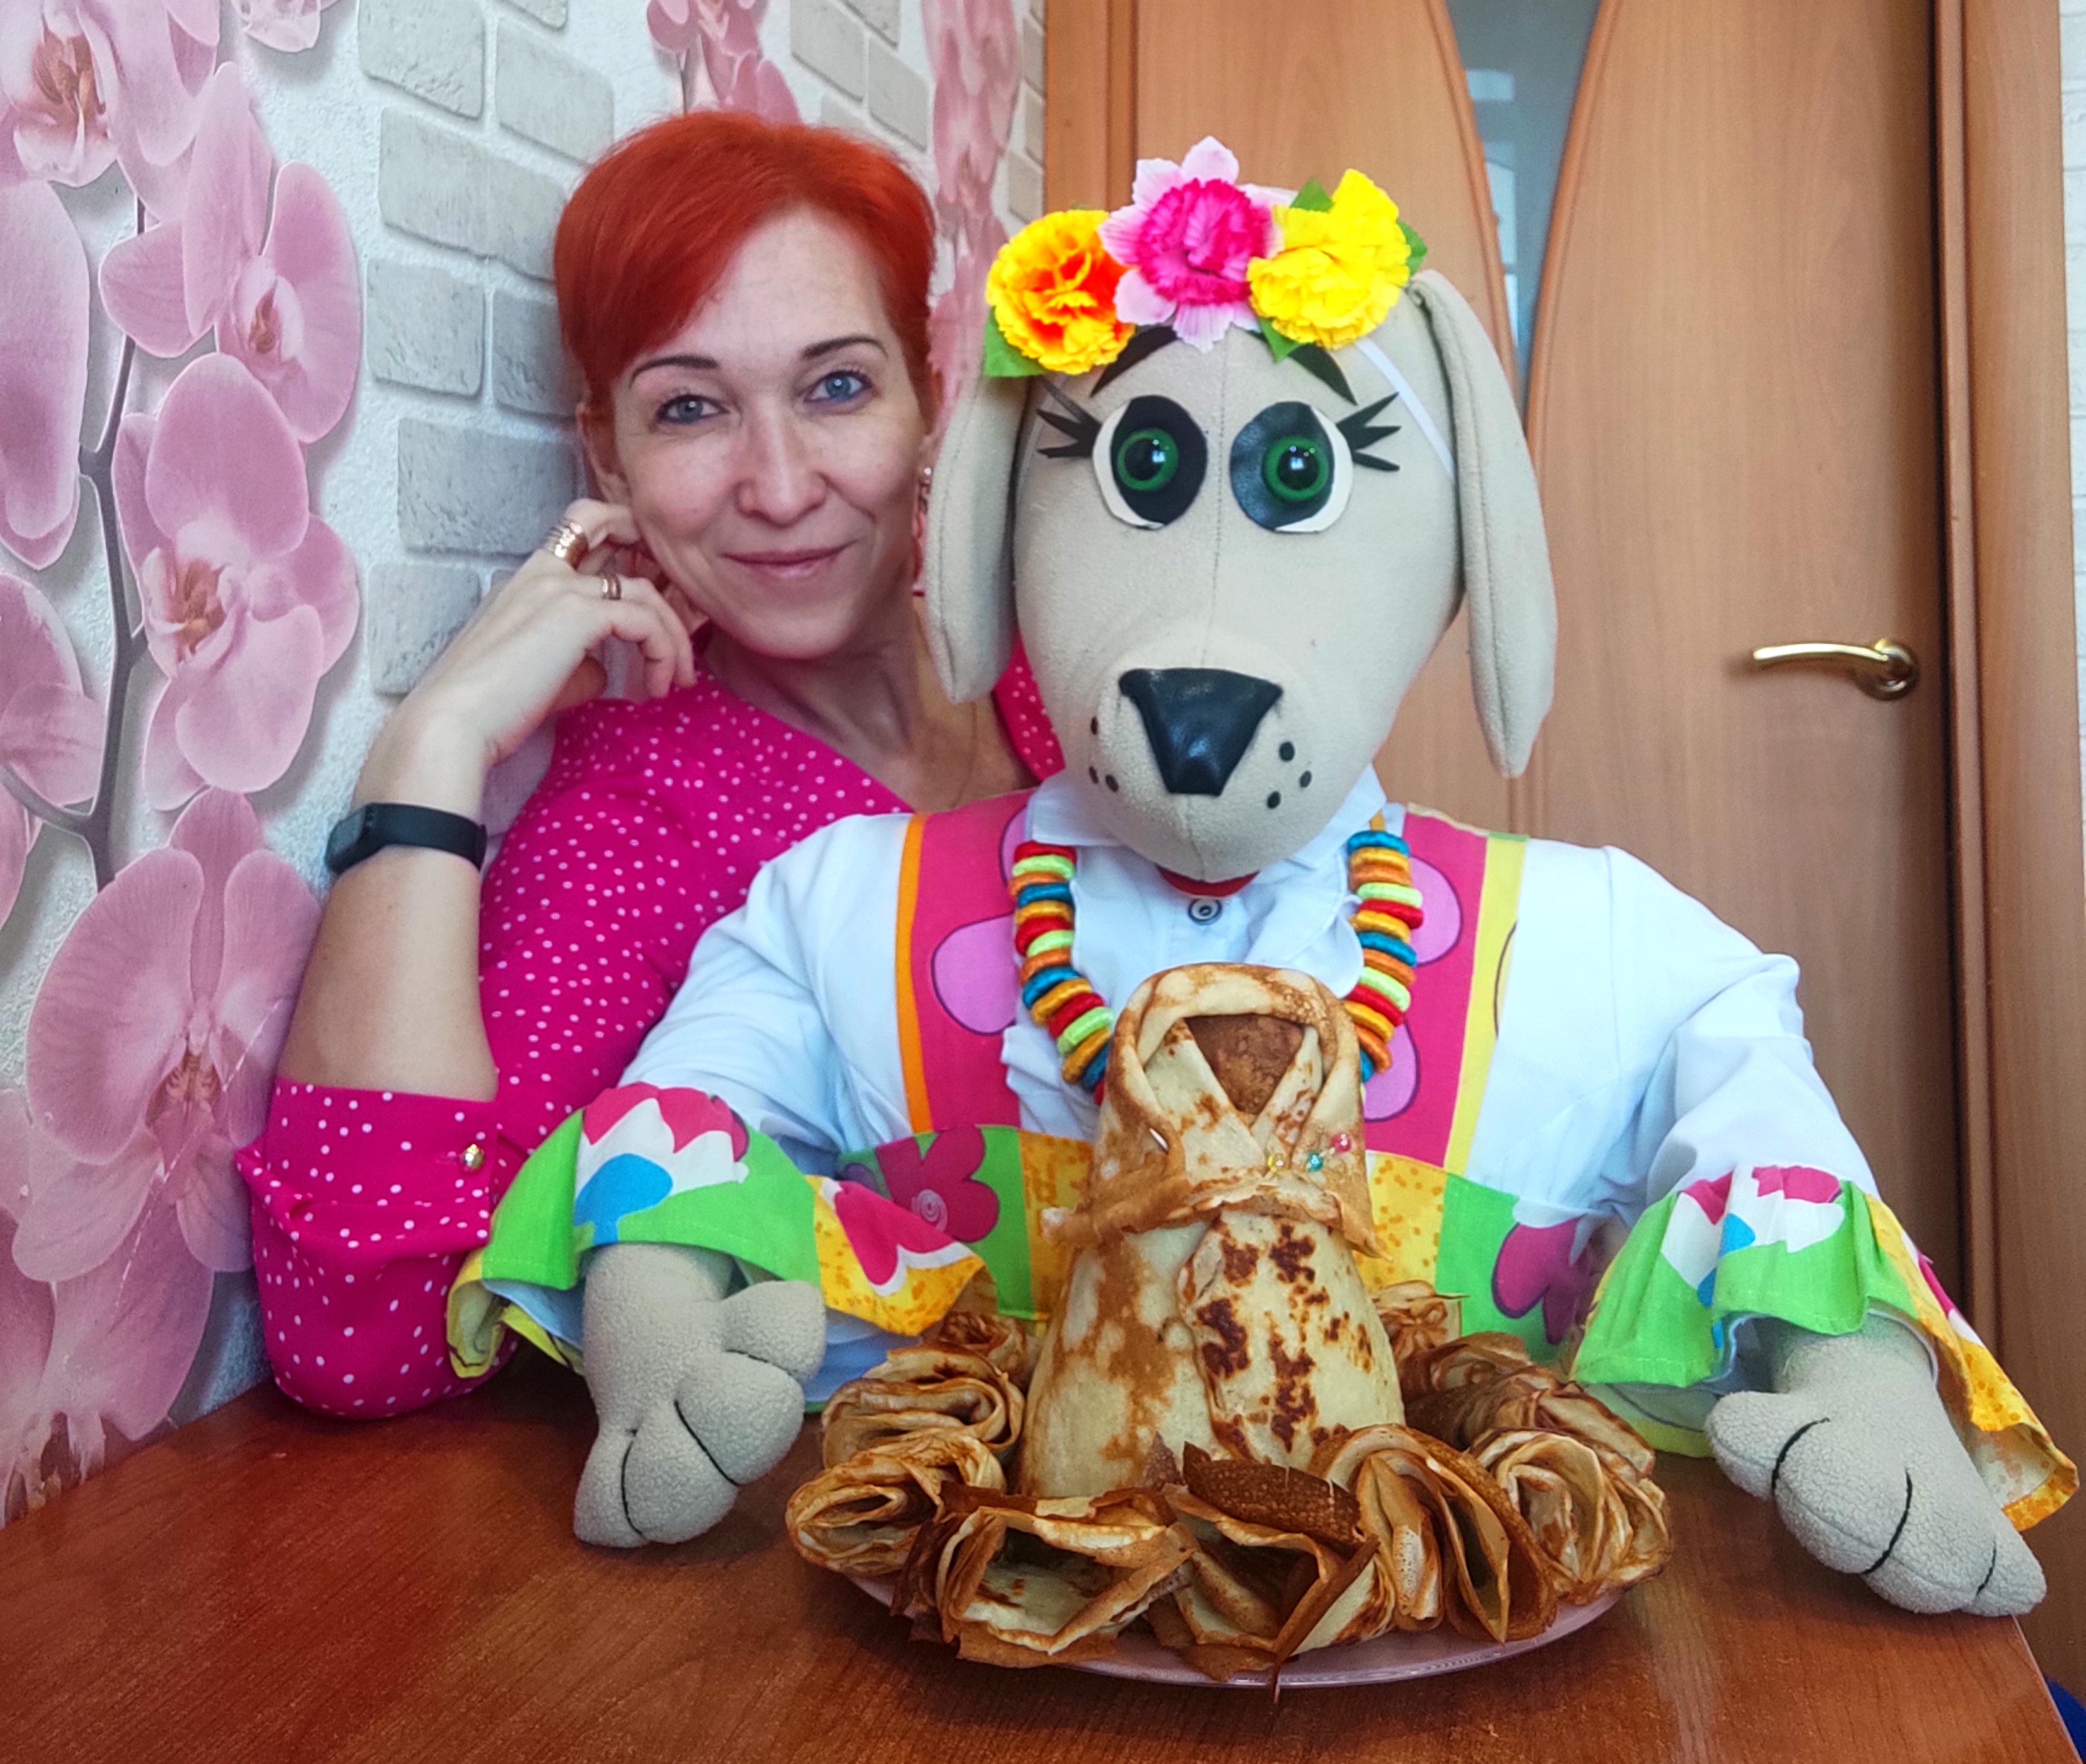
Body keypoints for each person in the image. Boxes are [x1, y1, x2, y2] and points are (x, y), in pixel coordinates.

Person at [240, 110, 1061, 1419]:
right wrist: (435, 743)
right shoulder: (640, 821)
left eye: (837, 388)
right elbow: (370, 1333)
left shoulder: (1064, 673)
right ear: (606, 455)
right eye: (690, 409)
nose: (779, 487)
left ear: (929, 397)